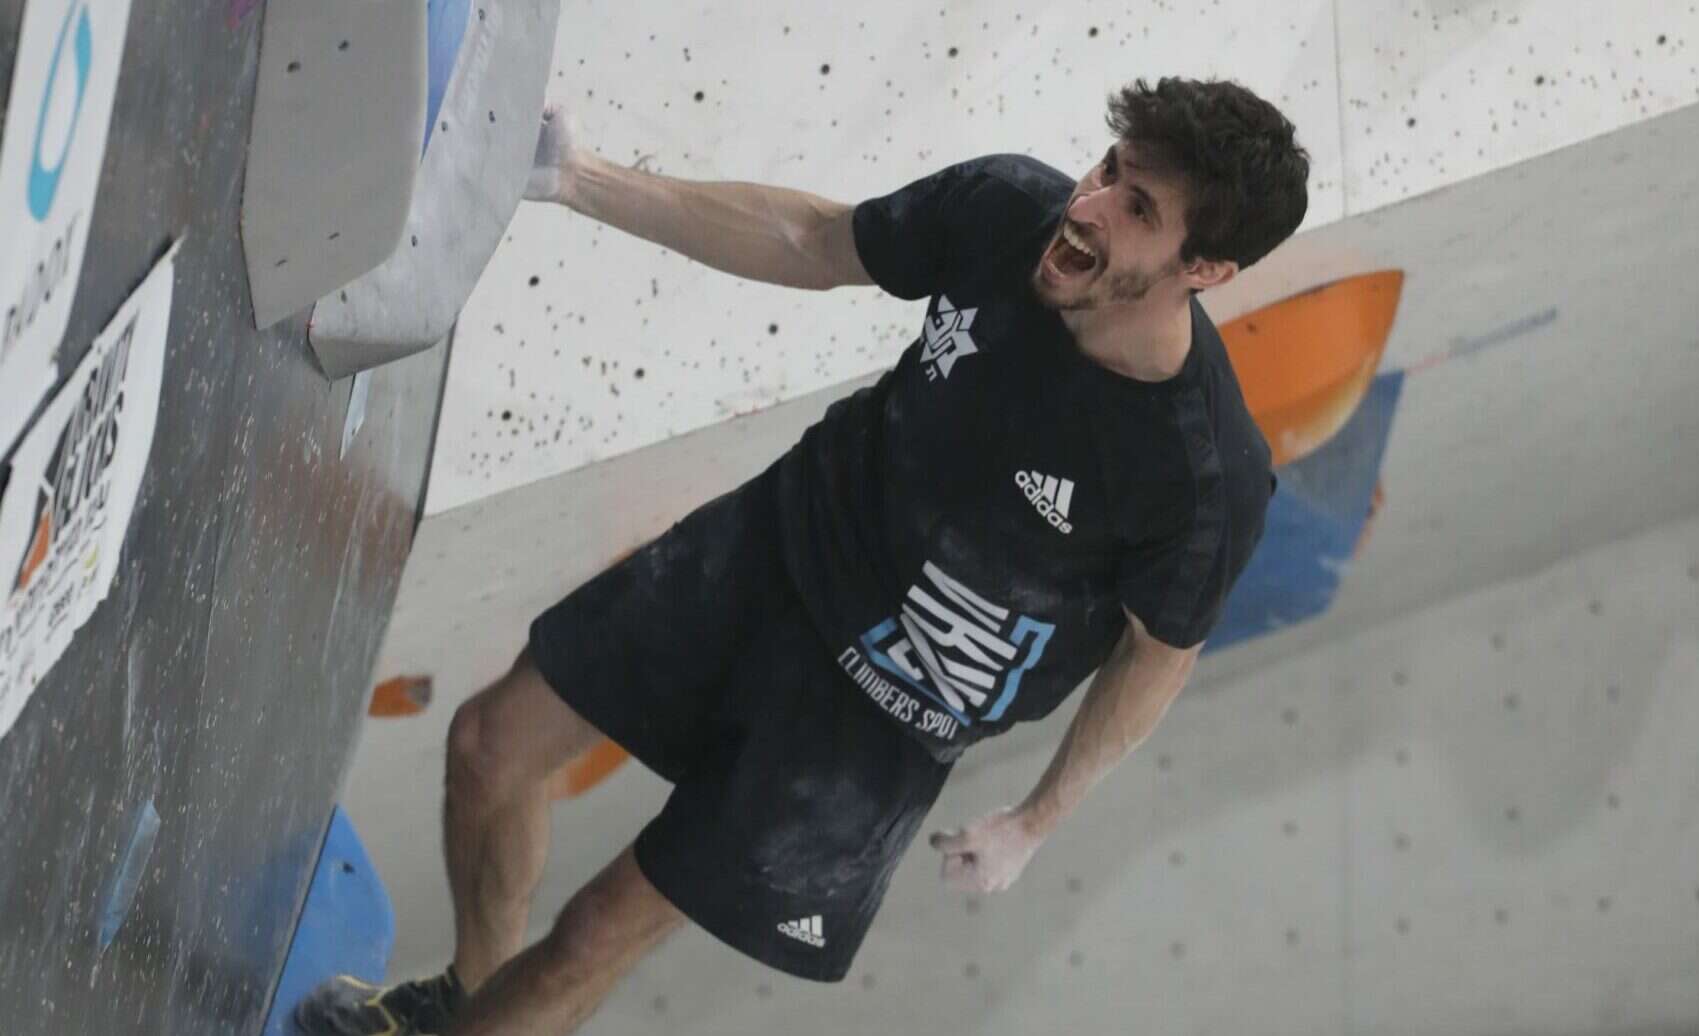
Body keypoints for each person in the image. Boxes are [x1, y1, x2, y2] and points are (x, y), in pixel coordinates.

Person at [297, 75, 1310, 1036]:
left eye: (1137, 209)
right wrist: (576, 177)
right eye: (1107, 168)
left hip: (882, 718)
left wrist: (1036, 819)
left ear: (1204, 270)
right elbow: (816, 239)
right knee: (488, 747)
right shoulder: (1005, 210)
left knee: (595, 936)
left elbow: (1156, 658)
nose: (1087, 208)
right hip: (785, 542)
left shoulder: (1200, 480)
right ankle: (463, 995)